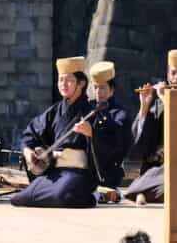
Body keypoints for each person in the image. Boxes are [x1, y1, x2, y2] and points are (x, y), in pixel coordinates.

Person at [11, 56, 119, 208]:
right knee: (20, 199)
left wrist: (91, 134)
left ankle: (93, 195)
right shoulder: (53, 112)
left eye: (68, 80)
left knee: (62, 196)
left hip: (79, 173)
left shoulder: (93, 112)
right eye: (60, 80)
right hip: (54, 171)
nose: (63, 84)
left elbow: (111, 144)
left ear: (81, 83)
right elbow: (30, 134)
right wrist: (28, 151)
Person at [123, 49, 177, 205]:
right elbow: (142, 143)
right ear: (167, 75)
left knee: (169, 186)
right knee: (142, 186)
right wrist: (144, 106)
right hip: (158, 167)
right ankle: (147, 191)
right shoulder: (158, 103)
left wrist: (165, 98)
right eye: (173, 73)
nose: (176, 78)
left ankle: (144, 192)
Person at [88, 61, 131, 202]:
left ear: (112, 90)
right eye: (95, 88)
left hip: (107, 172)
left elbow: (118, 142)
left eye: (103, 88)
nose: (98, 92)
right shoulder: (88, 107)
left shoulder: (120, 113)